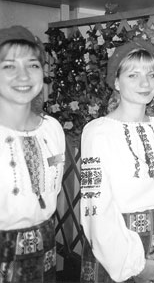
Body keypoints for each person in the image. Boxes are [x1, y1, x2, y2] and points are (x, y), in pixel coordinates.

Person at [80, 39, 154, 283]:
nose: (145, 83)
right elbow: (95, 207)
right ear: (116, 82)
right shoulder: (97, 132)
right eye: (133, 75)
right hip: (114, 249)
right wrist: (133, 264)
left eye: (151, 75)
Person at [0, 25, 65, 282]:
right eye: (9, 66)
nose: (23, 75)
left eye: (33, 65)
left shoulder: (52, 129)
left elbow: (55, 191)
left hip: (45, 243)